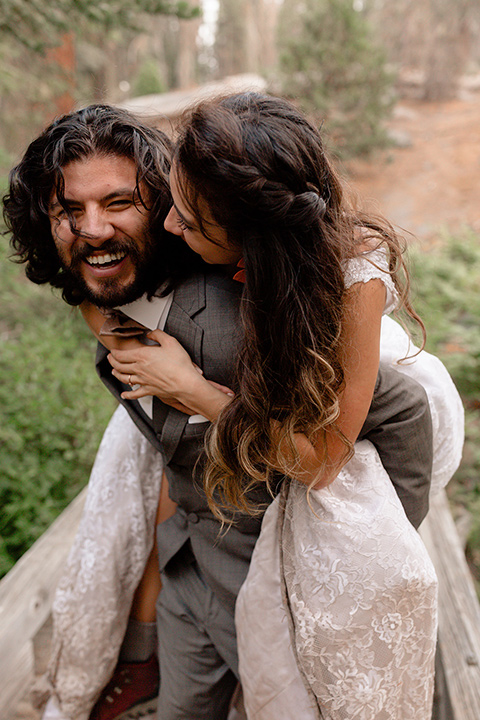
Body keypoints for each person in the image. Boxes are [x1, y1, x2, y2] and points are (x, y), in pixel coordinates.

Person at [4, 102, 447, 720]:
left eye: (122, 204)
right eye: (67, 211)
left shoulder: (260, 314)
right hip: (190, 566)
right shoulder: (119, 282)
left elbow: (388, 419)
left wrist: (374, 545)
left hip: (272, 578)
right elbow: (98, 305)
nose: (93, 230)